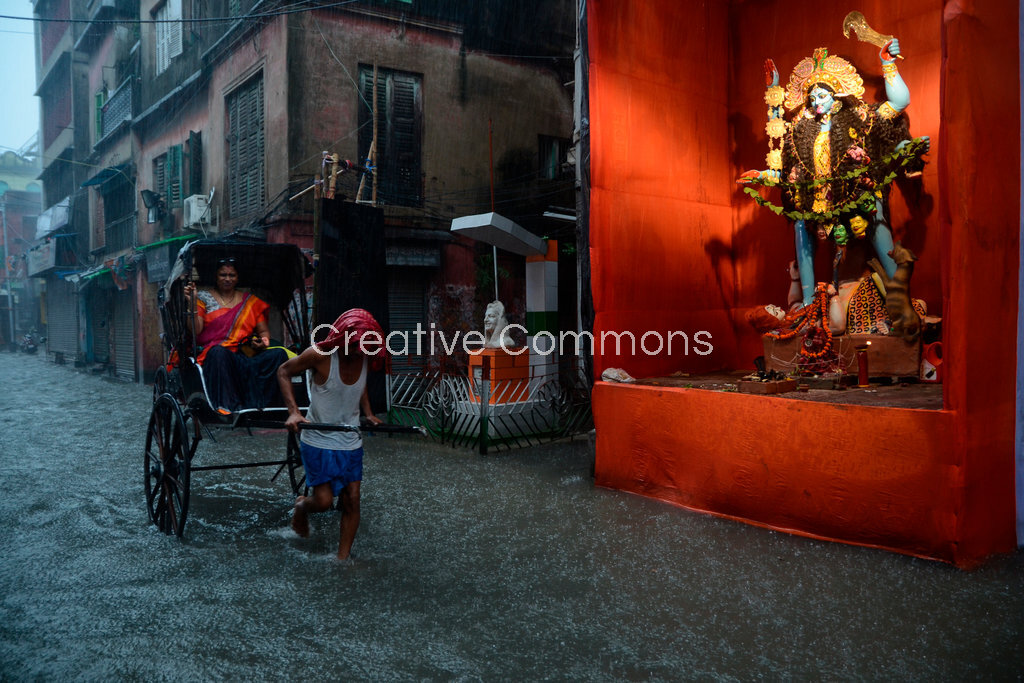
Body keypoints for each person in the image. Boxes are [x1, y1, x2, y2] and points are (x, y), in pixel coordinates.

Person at [740, 39, 930, 308]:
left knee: (874, 214)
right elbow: (783, 167)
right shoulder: (801, 131)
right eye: (812, 97)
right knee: (799, 224)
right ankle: (807, 303)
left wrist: (888, 64)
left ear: (837, 96)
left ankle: (900, 294)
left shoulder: (859, 117)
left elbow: (899, 102)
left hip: (854, 193)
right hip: (815, 202)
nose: (816, 102)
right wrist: (762, 176)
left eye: (822, 96)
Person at [277, 308, 385, 561]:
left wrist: (368, 413)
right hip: (318, 438)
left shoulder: (363, 353)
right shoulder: (320, 355)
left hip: (350, 438)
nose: (359, 354)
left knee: (352, 499)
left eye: (363, 349)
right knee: (324, 501)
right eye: (355, 347)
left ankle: (342, 558)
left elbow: (362, 384)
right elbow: (283, 371)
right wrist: (293, 412)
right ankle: (301, 507)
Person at [183, 257, 289, 413]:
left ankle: (269, 406)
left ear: (238, 277)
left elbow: (264, 333)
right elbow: (195, 330)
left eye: (231, 275)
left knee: (279, 354)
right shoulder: (202, 298)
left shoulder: (249, 301)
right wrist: (191, 304)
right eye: (223, 275)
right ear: (216, 277)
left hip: (245, 353)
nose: (227, 279)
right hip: (216, 353)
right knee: (219, 352)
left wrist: (263, 342)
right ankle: (227, 406)